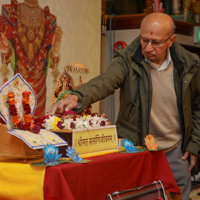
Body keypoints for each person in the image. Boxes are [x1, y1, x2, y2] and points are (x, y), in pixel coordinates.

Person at [48, 12, 200, 200]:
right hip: (138, 150)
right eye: (144, 40)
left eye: (156, 42)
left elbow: (197, 107)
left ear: (171, 40)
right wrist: (78, 97)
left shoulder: (190, 63)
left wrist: (194, 146)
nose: (148, 48)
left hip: (176, 152)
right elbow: (106, 81)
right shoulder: (127, 58)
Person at [0, 0, 62, 118]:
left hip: (40, 86)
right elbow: (9, 51)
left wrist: (55, 53)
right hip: (19, 81)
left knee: (37, 128)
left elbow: (50, 58)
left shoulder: (50, 19)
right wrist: (5, 49)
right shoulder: (9, 11)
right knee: (18, 125)